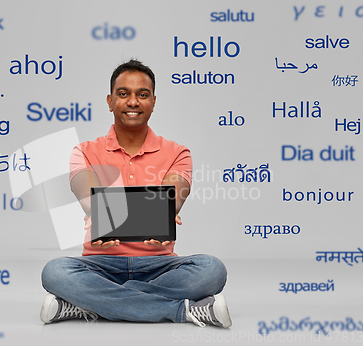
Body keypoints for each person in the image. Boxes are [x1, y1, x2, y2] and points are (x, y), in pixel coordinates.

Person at [40, 59, 231, 328]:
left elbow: (172, 198)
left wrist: (162, 213)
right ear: (109, 101)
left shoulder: (178, 153)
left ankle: (88, 303)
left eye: (142, 95)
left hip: (159, 267)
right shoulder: (83, 152)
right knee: (56, 272)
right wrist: (103, 211)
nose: (133, 102)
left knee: (212, 270)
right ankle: (183, 311)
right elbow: (88, 196)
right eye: (123, 94)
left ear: (153, 101)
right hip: (100, 265)